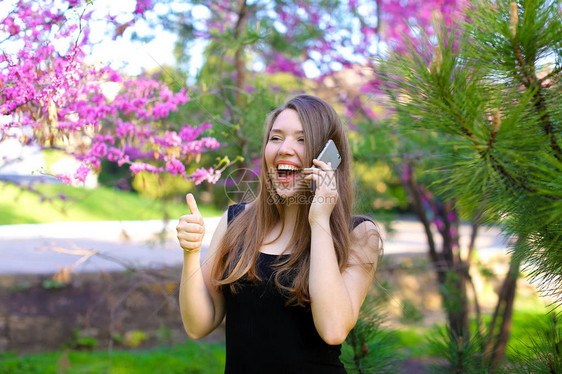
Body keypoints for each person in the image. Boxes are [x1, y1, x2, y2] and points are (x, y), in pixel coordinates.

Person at [176, 94, 381, 374]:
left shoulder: (359, 234)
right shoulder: (236, 221)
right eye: (275, 138)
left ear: (328, 157)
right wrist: (190, 254)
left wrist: (319, 219)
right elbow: (197, 325)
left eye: (301, 139)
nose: (284, 149)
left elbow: (333, 330)